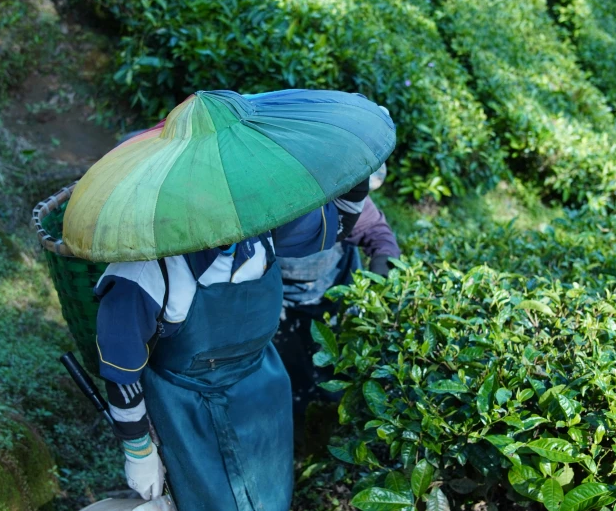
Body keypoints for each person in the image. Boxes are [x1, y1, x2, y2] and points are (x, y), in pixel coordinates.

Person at [94, 176, 371, 509]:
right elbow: (120, 369)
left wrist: (354, 170)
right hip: (188, 407)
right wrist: (138, 450)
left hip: (263, 388)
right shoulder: (144, 272)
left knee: (271, 493)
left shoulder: (262, 229)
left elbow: (337, 225)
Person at [273, 166, 401, 416]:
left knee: (331, 364)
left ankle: (330, 415)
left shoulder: (339, 196)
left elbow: (377, 233)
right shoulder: (262, 205)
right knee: (290, 368)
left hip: (332, 287)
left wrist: (383, 276)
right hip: (280, 296)